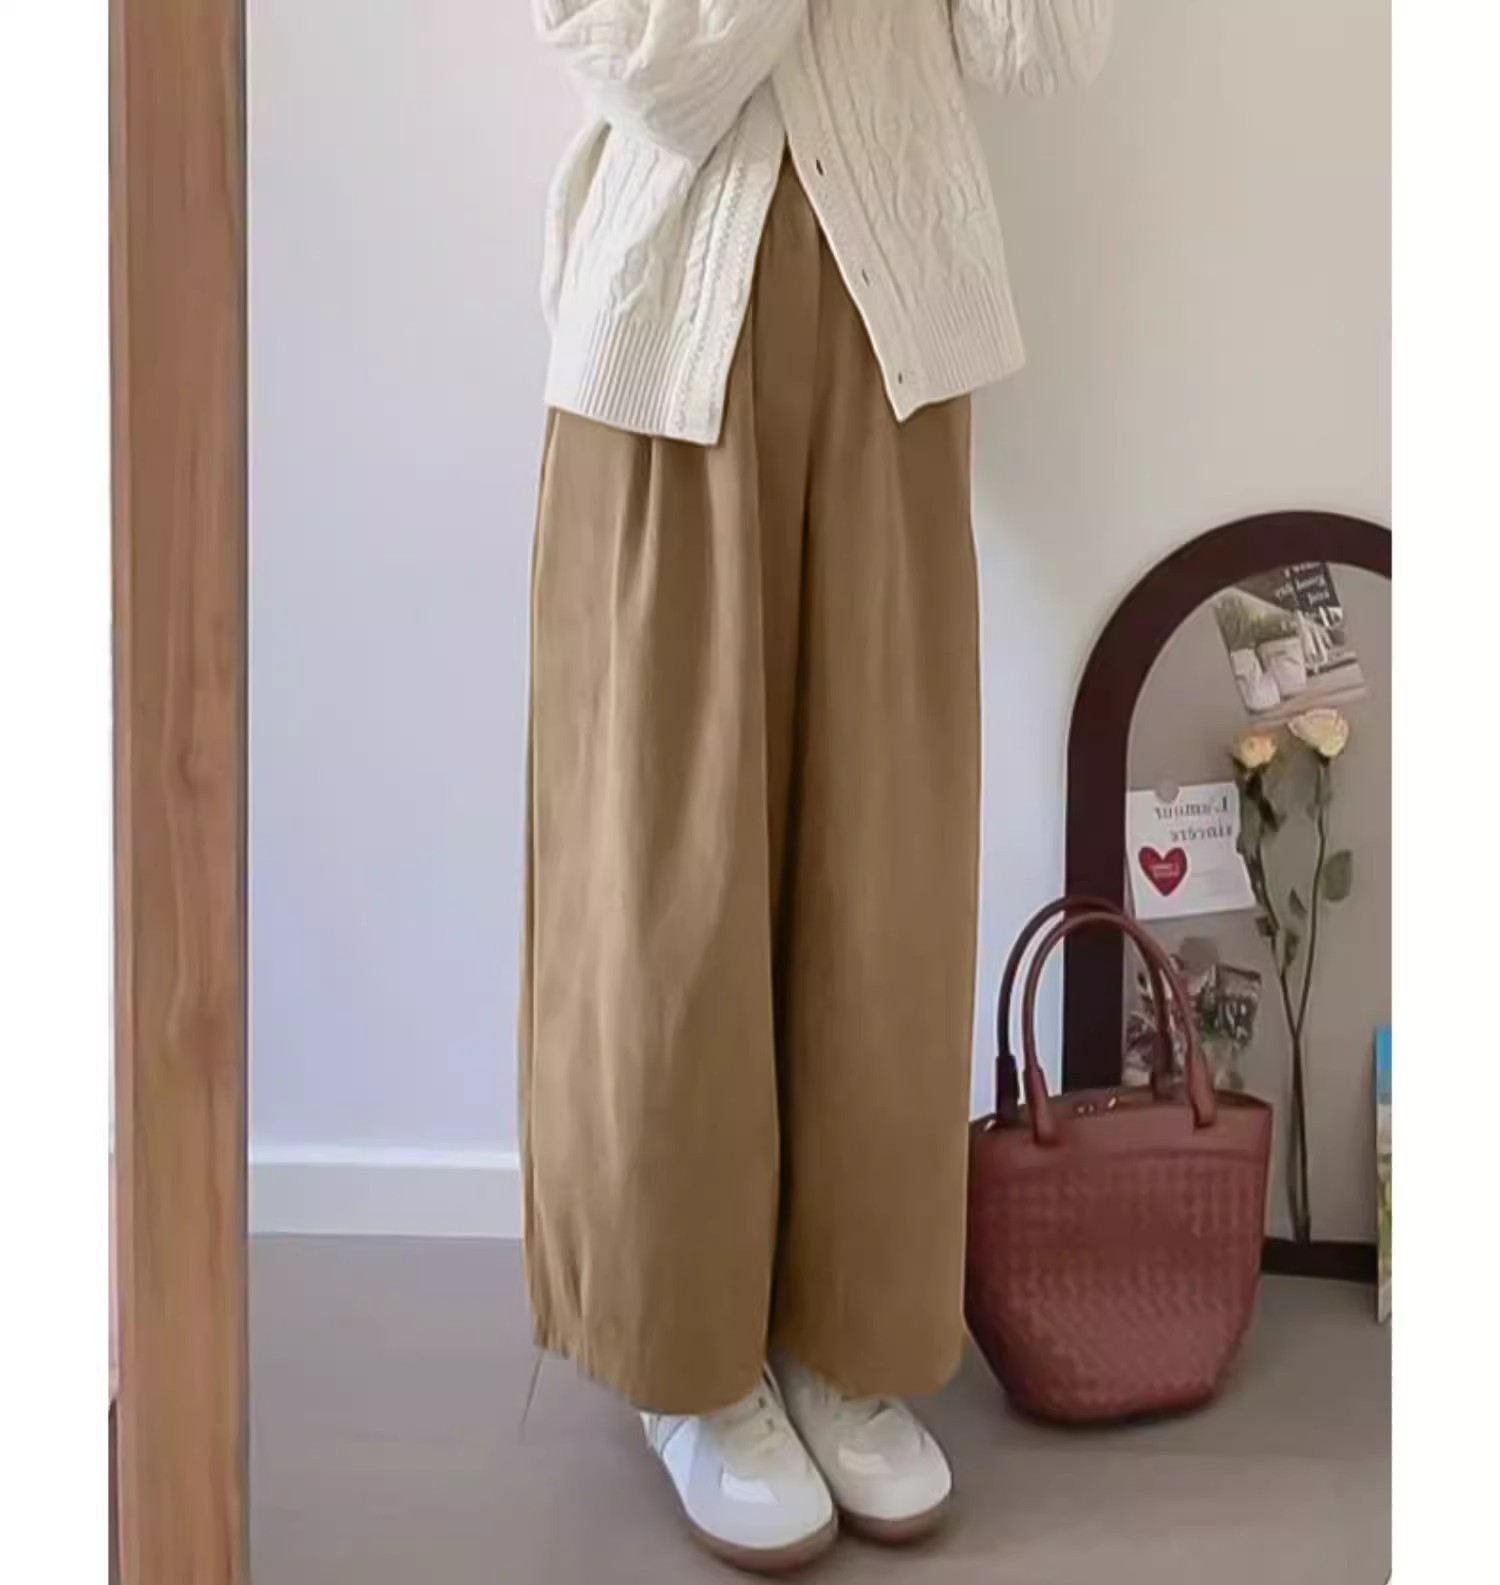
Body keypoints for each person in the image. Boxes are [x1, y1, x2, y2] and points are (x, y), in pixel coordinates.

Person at [521, 1, 1112, 1570]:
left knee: (887, 862)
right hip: (666, 342)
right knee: (673, 867)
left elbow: (1040, 52)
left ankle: (845, 1336)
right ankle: (685, 1357)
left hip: (898, 338)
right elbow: (651, 68)